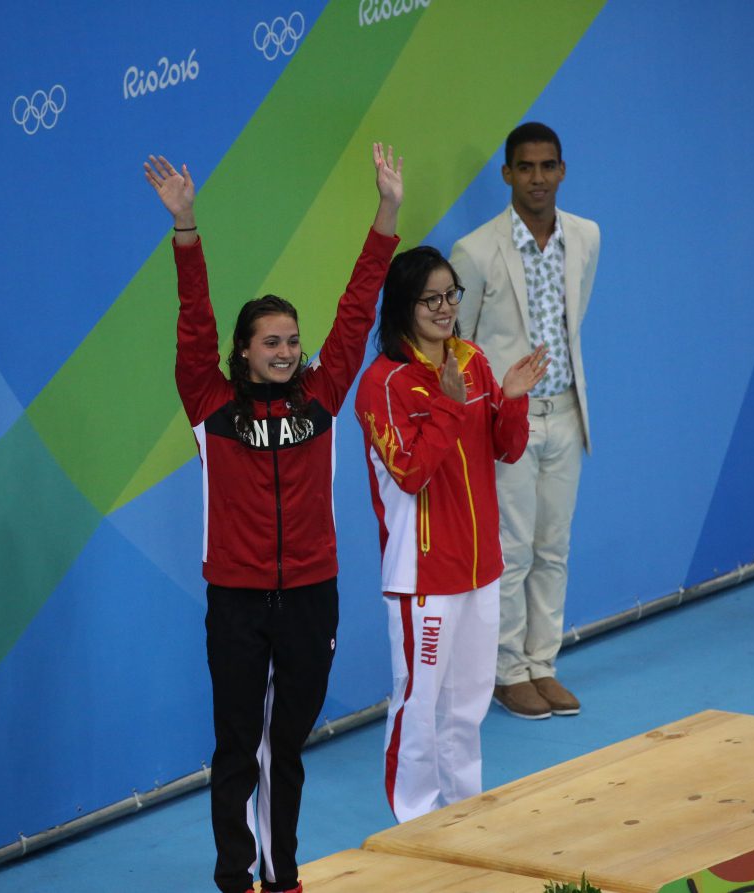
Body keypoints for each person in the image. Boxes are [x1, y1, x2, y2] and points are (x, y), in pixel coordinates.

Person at [144, 145, 402, 893]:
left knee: (285, 744)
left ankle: (283, 870)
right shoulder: (210, 405)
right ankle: (236, 876)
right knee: (236, 746)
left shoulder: (320, 398)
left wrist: (386, 212)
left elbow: (357, 309)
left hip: (312, 594)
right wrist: (186, 228)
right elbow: (194, 324)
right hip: (237, 600)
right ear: (245, 353)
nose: (288, 351)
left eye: (293, 340)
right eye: (272, 342)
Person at [354, 245, 548, 822]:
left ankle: (465, 812)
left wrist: (511, 399)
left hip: (480, 566)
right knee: (420, 704)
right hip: (423, 574)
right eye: (430, 298)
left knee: (466, 706)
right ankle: (414, 820)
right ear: (403, 307)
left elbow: (507, 449)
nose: (444, 308)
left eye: (450, 294)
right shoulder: (383, 385)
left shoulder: (472, 360)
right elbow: (411, 472)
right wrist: (447, 406)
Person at [450, 122, 600, 720]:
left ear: (562, 170)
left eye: (548, 166)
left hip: (565, 412)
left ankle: (543, 664)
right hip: (510, 422)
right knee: (510, 551)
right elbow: (460, 343)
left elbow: (574, 316)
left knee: (553, 547)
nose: (537, 178)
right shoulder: (476, 250)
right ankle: (507, 671)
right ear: (507, 173)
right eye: (526, 167)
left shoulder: (586, 237)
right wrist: (490, 413)